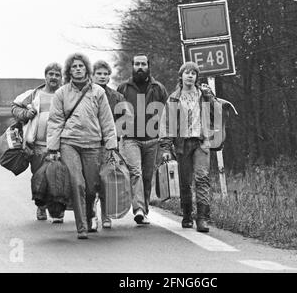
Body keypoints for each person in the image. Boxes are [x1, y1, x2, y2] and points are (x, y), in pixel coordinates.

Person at [47, 53, 117, 240]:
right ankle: (82, 227)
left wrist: (111, 144)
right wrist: (53, 148)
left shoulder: (98, 92)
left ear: (87, 69)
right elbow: (55, 121)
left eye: (81, 66)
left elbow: (107, 120)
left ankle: (88, 215)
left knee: (92, 186)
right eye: (74, 67)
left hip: (93, 144)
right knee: (77, 182)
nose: (77, 69)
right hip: (69, 143)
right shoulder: (61, 93)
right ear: (69, 71)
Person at [159, 61, 220, 233]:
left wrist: (211, 97)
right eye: (187, 72)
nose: (190, 75)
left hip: (201, 142)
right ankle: (187, 215)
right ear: (181, 76)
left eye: (193, 73)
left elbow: (217, 114)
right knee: (185, 182)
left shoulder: (204, 94)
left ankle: (202, 219)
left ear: (197, 77)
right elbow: (167, 123)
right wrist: (165, 147)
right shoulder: (174, 97)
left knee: (202, 179)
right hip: (182, 144)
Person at [117, 54, 168, 224]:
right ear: (132, 66)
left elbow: (166, 114)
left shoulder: (158, 88)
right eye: (137, 64)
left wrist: (166, 139)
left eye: (143, 64)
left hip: (152, 139)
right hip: (130, 138)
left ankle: (144, 209)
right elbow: (116, 114)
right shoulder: (123, 88)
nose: (140, 67)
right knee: (136, 172)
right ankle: (138, 209)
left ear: (148, 66)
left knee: (147, 176)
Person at [11, 62, 63, 223]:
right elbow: (14, 107)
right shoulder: (34, 94)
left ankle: (57, 209)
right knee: (39, 176)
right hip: (37, 146)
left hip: (60, 145)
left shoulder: (64, 94)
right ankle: (41, 207)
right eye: (51, 74)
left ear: (61, 78)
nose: (53, 77)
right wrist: (26, 113)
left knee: (57, 177)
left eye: (57, 75)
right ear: (45, 76)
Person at [91, 59, 126, 230]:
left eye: (105, 74)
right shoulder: (85, 94)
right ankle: (91, 213)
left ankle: (106, 215)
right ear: (92, 75)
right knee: (90, 181)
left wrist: (115, 136)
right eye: (99, 74)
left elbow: (124, 119)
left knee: (106, 180)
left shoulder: (117, 97)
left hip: (108, 145)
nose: (102, 77)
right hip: (89, 143)